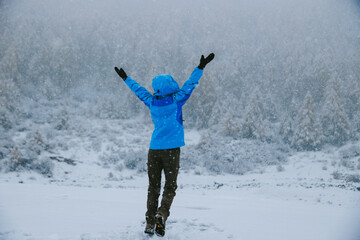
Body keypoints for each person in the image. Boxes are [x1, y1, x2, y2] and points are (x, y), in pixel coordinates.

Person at [114, 53, 215, 237]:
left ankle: (150, 223)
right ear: (171, 86)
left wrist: (126, 78)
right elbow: (190, 85)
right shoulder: (177, 100)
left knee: (153, 187)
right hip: (171, 151)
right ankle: (162, 214)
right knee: (170, 186)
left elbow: (139, 91)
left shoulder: (152, 102)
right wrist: (200, 67)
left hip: (154, 150)